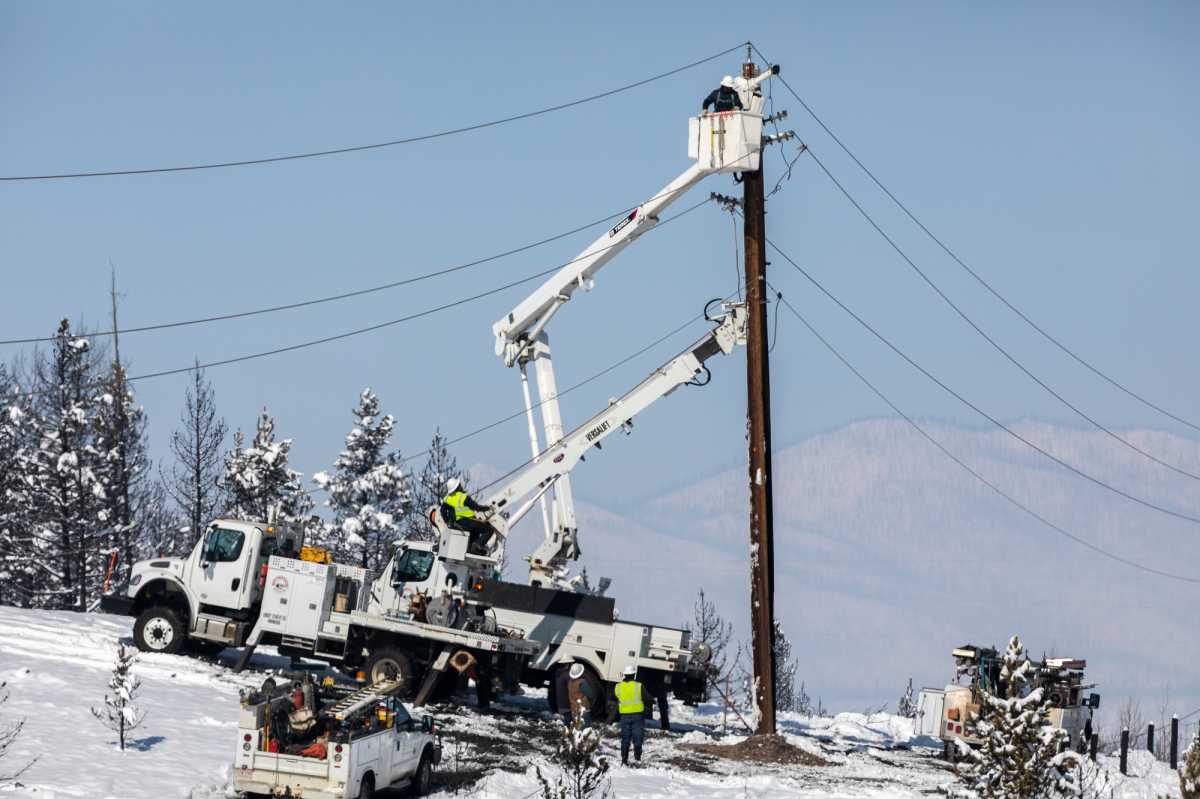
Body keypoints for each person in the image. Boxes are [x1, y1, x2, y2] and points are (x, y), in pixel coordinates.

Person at [440, 477, 493, 555]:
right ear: (458, 487)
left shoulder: (447, 499)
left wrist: (448, 521)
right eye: (459, 485)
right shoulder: (463, 497)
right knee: (489, 529)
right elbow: (476, 507)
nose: (461, 486)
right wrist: (488, 508)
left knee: (475, 531)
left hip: (457, 524)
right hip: (468, 521)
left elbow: (442, 511)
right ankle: (477, 545)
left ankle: (472, 548)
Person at [614, 663, 651, 765]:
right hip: (637, 716)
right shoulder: (639, 686)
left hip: (624, 716)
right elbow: (648, 698)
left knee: (625, 738)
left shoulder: (618, 687)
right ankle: (637, 758)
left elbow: (615, 697)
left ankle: (624, 760)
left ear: (625, 675)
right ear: (634, 674)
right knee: (638, 737)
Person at [567, 662, 596, 727]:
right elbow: (590, 694)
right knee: (585, 727)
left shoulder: (570, 682)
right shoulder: (582, 682)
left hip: (573, 708)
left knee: (577, 727)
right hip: (583, 708)